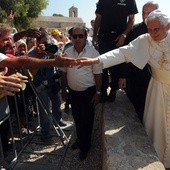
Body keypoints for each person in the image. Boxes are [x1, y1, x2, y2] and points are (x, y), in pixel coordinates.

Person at [76, 10, 170, 168]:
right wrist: (96, 60)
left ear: (167, 26)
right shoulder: (144, 40)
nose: (153, 33)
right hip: (158, 89)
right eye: (150, 29)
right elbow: (122, 53)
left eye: (157, 29)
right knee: (159, 126)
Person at [61, 26, 102, 160]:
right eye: (75, 36)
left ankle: (86, 147)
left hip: (88, 92)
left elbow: (98, 74)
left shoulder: (93, 53)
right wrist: (63, 89)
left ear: (86, 36)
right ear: (71, 37)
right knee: (77, 118)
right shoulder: (67, 52)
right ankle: (80, 140)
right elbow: (64, 72)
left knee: (87, 120)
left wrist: (98, 92)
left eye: (80, 36)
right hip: (73, 93)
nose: (77, 39)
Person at [93, 0, 138, 102]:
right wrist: (95, 35)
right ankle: (103, 92)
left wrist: (124, 35)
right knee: (102, 64)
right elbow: (98, 18)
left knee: (117, 65)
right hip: (104, 36)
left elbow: (131, 19)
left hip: (120, 36)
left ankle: (113, 91)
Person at [124, 1, 159, 122]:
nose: (146, 15)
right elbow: (125, 55)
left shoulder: (165, 31)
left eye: (149, 13)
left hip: (157, 81)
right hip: (137, 79)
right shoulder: (134, 31)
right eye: (144, 13)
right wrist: (123, 76)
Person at [28, 33, 67, 142]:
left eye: (48, 43)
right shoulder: (33, 54)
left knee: (57, 102)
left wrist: (54, 56)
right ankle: (45, 134)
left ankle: (57, 120)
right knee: (44, 109)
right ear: (38, 43)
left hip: (52, 82)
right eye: (44, 43)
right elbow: (33, 72)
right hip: (40, 85)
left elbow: (59, 64)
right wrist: (40, 56)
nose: (47, 45)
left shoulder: (52, 51)